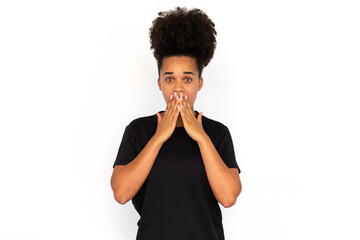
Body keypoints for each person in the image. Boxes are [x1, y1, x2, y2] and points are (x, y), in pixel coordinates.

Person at [110, 6, 242, 240]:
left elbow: (229, 197)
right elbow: (121, 193)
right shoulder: (139, 130)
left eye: (187, 79)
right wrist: (159, 136)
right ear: (159, 82)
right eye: (170, 78)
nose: (178, 88)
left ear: (200, 83)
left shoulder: (216, 133)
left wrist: (200, 136)